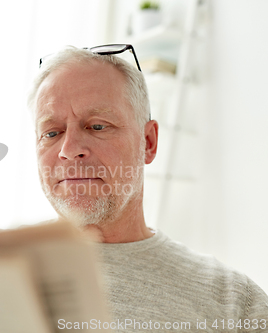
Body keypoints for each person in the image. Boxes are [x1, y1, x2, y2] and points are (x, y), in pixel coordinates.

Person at [28, 45, 268, 331]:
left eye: (98, 126)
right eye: (51, 132)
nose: (69, 150)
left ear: (148, 142)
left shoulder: (236, 303)